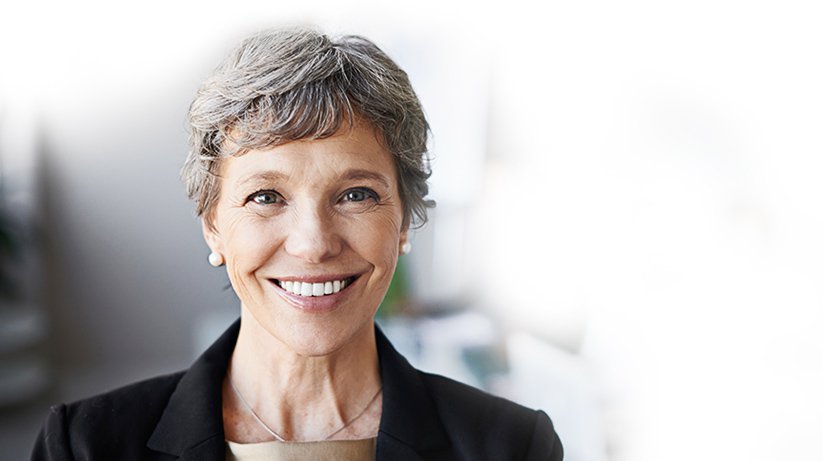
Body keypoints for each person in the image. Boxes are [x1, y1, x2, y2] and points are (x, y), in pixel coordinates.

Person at [31, 28, 563, 460]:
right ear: (213, 226)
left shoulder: (512, 446)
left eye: (356, 194)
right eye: (266, 196)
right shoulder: (83, 445)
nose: (313, 244)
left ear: (404, 223)